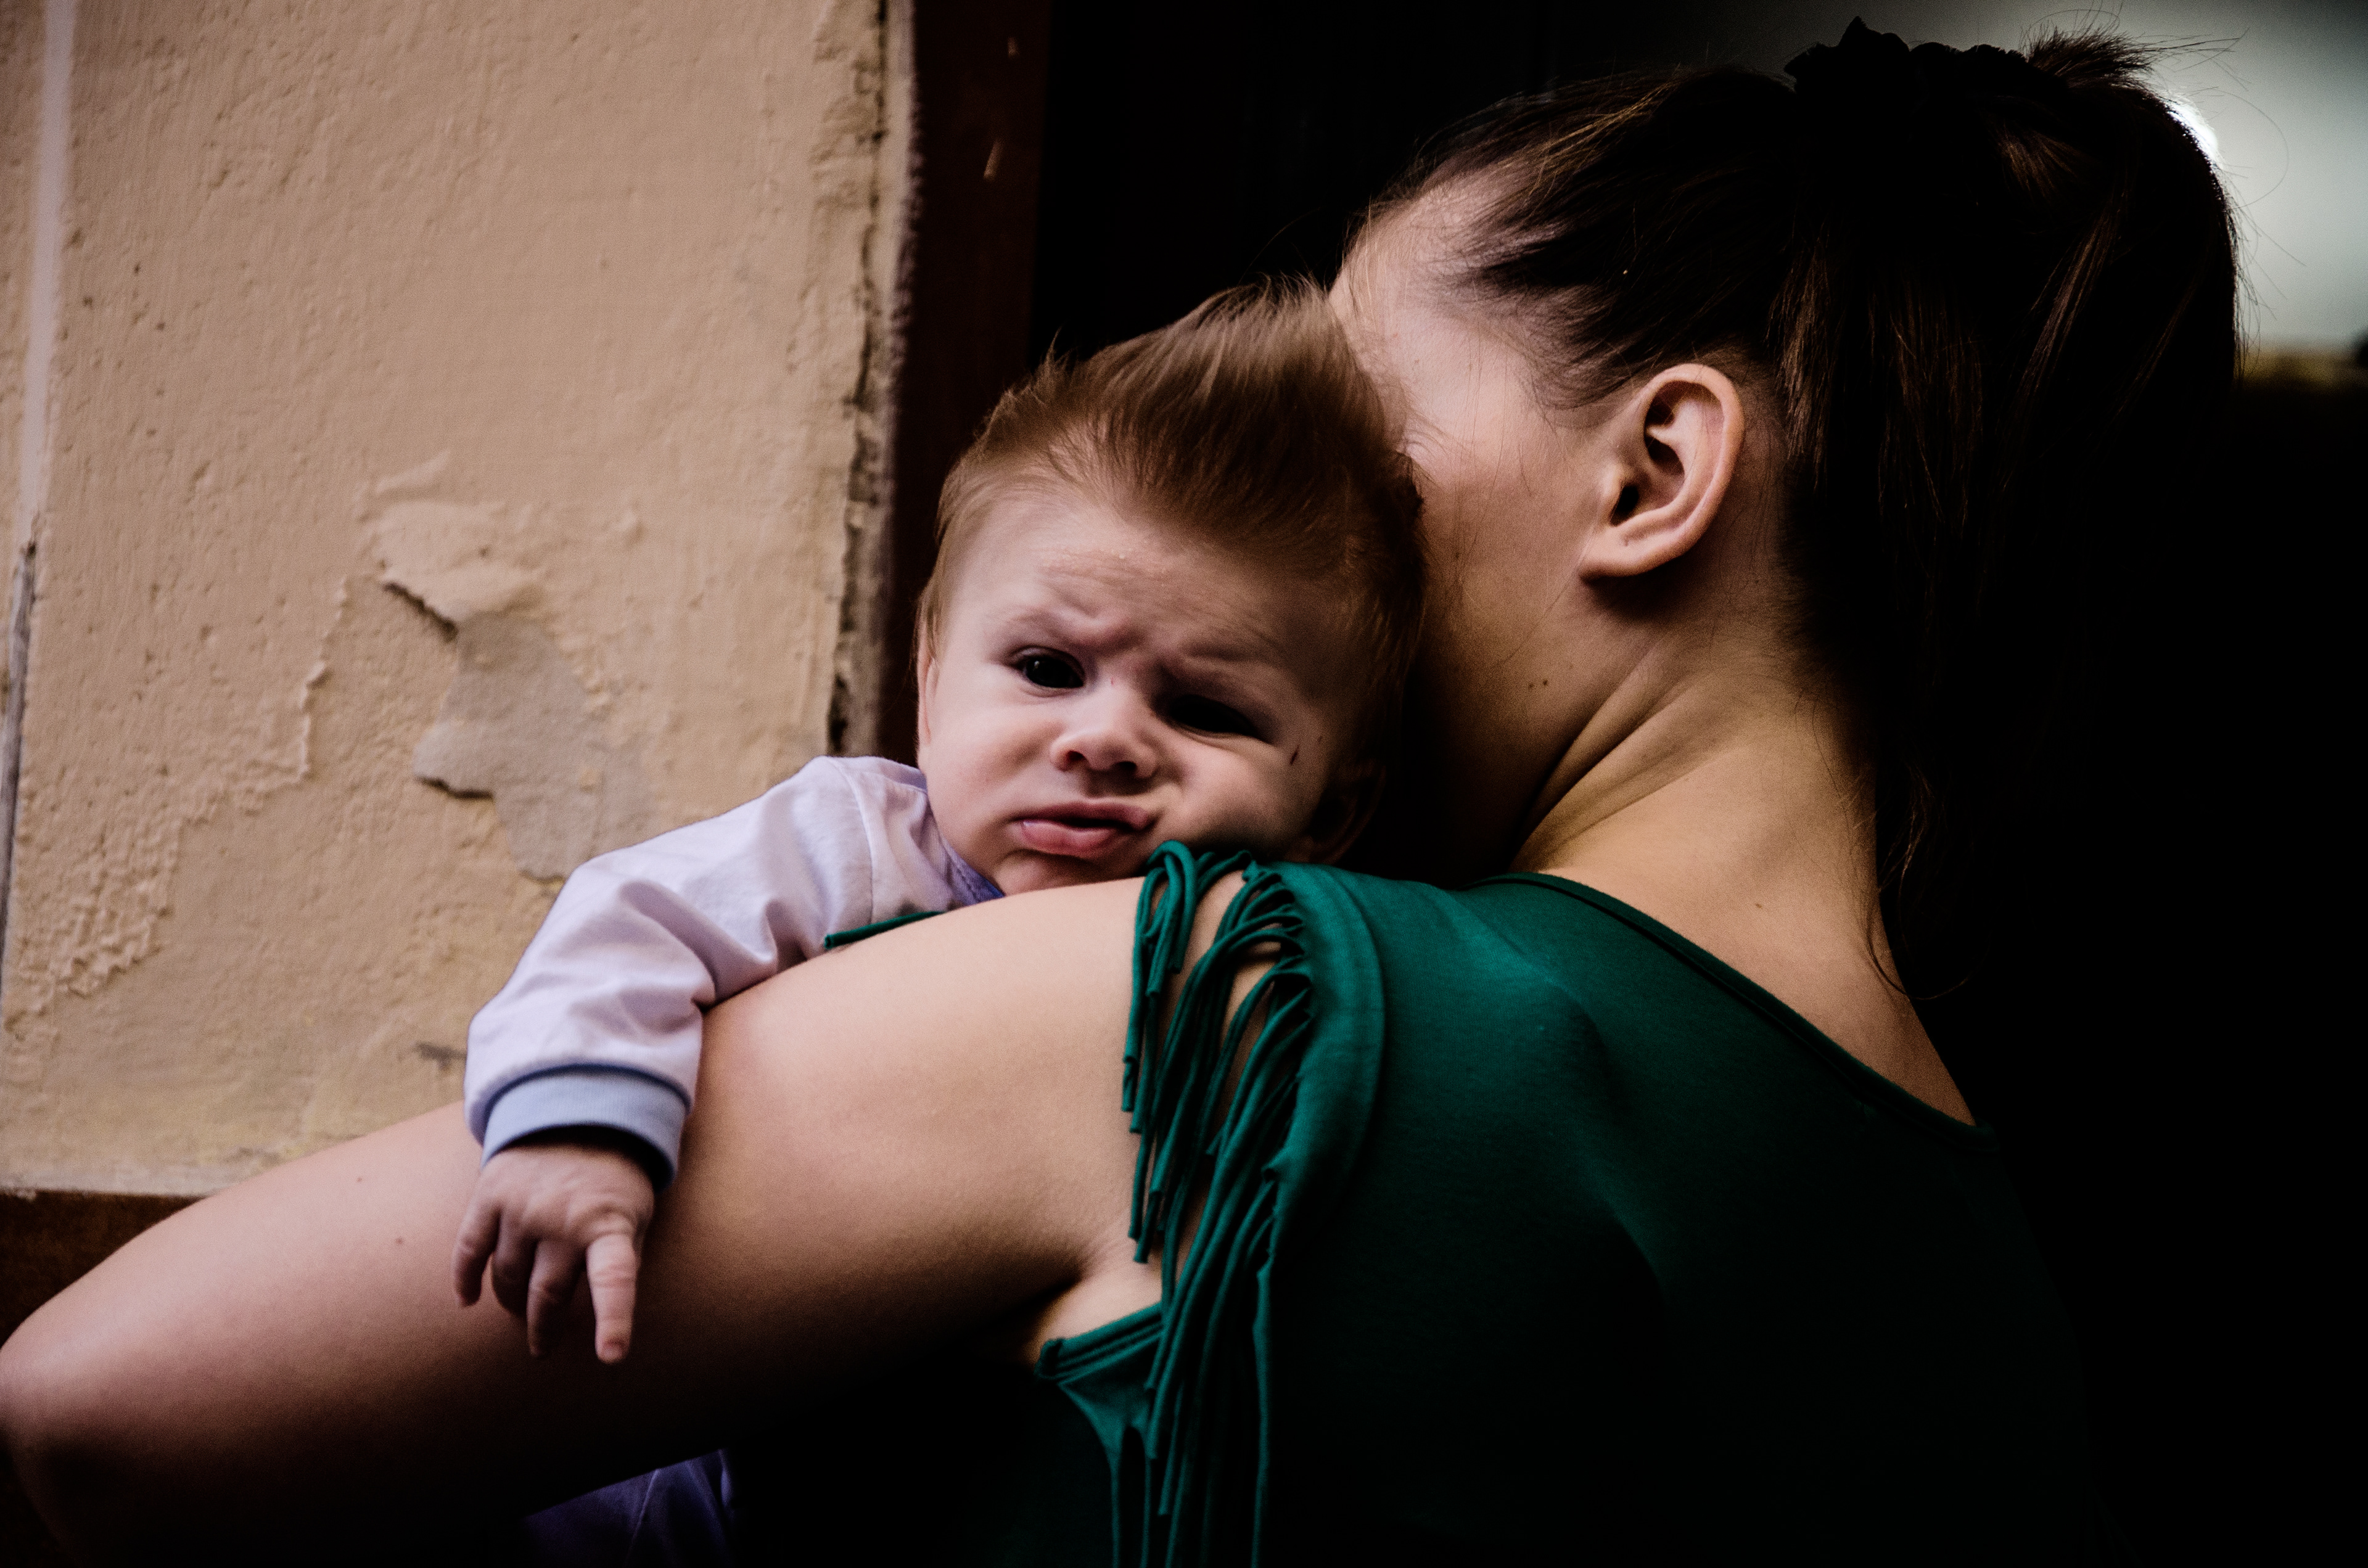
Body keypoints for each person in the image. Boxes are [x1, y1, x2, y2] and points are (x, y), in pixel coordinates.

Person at [0, 22, 2235, 1564]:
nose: (1288, 542)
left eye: (1357, 446)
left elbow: (105, 1407)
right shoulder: (1999, 1287)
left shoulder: (1212, 1002)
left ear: (1654, 471)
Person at [453, 285, 1421, 1368]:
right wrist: (578, 1134)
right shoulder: (862, 846)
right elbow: (634, 923)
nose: (1105, 739)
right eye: (1048, 668)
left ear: (1334, 809)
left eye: (1203, 709)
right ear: (930, 680)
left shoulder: (1270, 983)